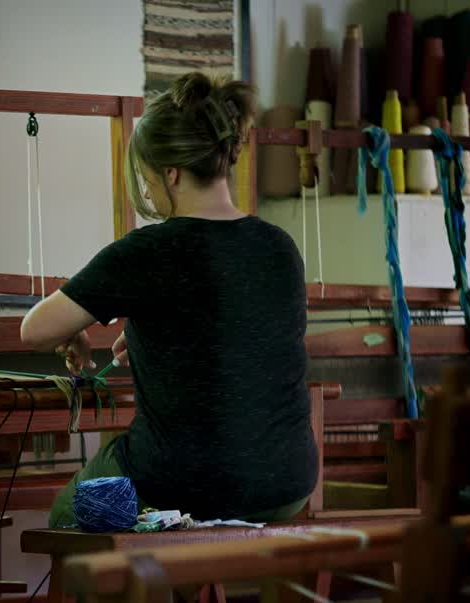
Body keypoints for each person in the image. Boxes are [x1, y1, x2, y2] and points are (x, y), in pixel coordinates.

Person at [20, 71, 318, 531]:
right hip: (286, 487)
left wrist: (74, 327)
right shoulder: (279, 247)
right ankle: (180, 600)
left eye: (149, 178)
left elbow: (35, 331)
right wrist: (146, 335)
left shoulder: (148, 250)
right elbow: (228, 327)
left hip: (184, 486)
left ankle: (143, 599)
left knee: (68, 513)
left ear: (171, 174)